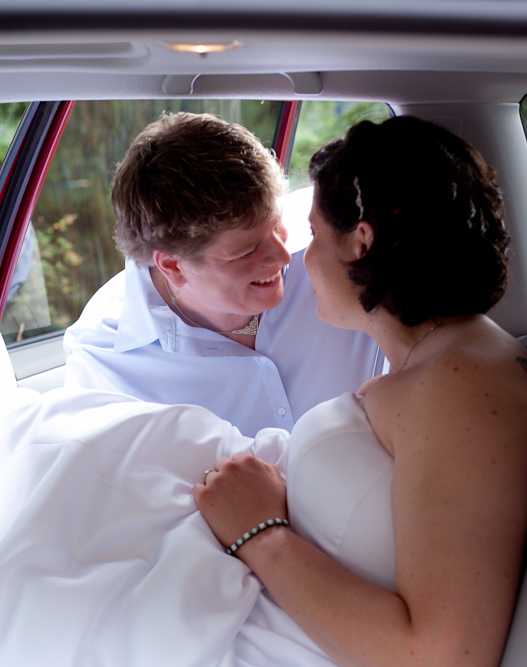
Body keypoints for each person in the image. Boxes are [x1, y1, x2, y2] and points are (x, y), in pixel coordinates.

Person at [0, 117, 527, 667]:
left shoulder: (465, 390)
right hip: (284, 604)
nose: (296, 258)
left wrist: (261, 536)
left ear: (361, 243)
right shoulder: (442, 366)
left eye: (309, 235)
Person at [63, 112, 382, 436]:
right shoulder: (103, 362)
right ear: (173, 266)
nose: (284, 255)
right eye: (247, 251)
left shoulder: (343, 240)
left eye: (277, 225)